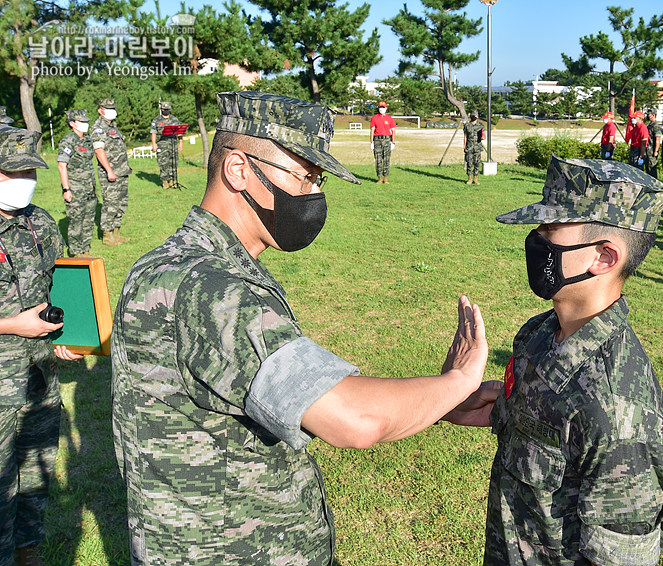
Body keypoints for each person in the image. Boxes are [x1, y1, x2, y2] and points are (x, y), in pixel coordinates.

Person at [111, 91, 500, 565]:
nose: (313, 196)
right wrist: (458, 382)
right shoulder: (209, 286)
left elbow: (269, 395)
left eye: (318, 180)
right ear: (238, 170)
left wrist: (437, 403)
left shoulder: (189, 264)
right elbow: (352, 419)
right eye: (304, 176)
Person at [485, 155, 663, 566]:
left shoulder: (615, 410)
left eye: (552, 229)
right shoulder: (540, 334)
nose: (536, 238)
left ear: (604, 258)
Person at [0, 124, 82, 566]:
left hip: (39, 380)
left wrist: (68, 338)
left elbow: (62, 289)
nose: (24, 182)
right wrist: (13, 325)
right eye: (12, 172)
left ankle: (28, 555)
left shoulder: (40, 222)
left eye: (30, 171)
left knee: (35, 479)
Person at [91, 98, 132, 246]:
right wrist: (109, 170)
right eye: (108, 108)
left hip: (122, 171)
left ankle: (116, 232)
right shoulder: (98, 128)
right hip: (111, 173)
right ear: (100, 110)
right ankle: (107, 236)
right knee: (110, 203)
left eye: (113, 108)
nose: (111, 110)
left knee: (121, 203)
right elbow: (99, 150)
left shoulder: (113, 126)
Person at [57, 109, 96, 257]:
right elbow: (62, 166)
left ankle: (85, 249)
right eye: (82, 122)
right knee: (76, 219)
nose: (86, 124)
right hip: (75, 187)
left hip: (89, 186)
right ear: (72, 123)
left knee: (88, 219)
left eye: (86, 121)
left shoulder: (87, 140)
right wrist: (66, 189)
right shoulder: (68, 141)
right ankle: (75, 252)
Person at [150, 101, 182, 189]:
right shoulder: (156, 120)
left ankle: (172, 181)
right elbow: (153, 132)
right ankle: (165, 182)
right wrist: (154, 144)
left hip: (173, 144)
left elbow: (180, 132)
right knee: (163, 163)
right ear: (161, 109)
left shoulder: (175, 119)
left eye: (167, 109)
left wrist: (181, 143)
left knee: (174, 163)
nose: (166, 111)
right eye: (164, 109)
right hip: (162, 144)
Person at [370, 100, 396, 184]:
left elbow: (393, 131)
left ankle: (386, 178)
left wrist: (393, 142)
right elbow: (372, 130)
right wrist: (371, 142)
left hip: (387, 140)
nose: (382, 109)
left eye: (383, 107)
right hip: (377, 140)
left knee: (386, 159)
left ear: (386, 108)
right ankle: (379, 178)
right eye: (380, 107)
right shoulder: (375, 118)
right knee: (378, 159)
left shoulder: (389, 118)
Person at [463, 110, 486, 185]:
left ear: (477, 116)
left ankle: (475, 179)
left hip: (477, 147)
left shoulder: (481, 125)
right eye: (472, 115)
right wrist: (464, 145)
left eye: (475, 115)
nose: (474, 117)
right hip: (469, 147)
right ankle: (469, 179)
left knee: (477, 163)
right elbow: (465, 136)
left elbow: (484, 135)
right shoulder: (467, 125)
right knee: (469, 163)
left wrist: (483, 137)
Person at [645, 109, 663, 179]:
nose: (648, 116)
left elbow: (657, 139)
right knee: (648, 168)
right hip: (647, 150)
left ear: (653, 115)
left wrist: (656, 151)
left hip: (652, 151)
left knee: (652, 169)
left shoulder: (655, 126)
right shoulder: (650, 125)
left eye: (649, 114)